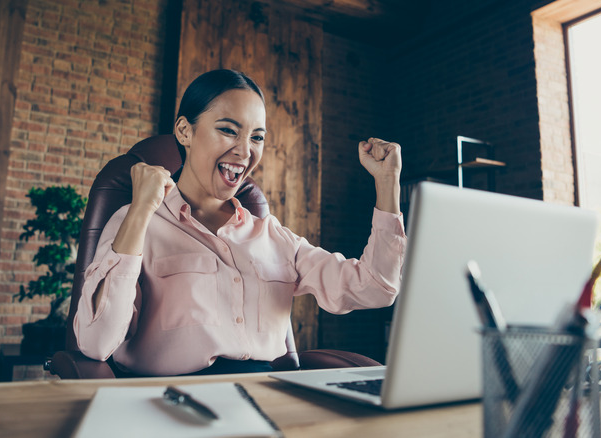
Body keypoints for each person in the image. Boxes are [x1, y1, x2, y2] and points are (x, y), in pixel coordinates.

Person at [74, 69, 407, 376]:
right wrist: (141, 211)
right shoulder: (134, 223)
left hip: (269, 399)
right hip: (173, 403)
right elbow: (96, 343)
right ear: (185, 131)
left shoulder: (273, 236)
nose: (245, 151)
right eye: (228, 131)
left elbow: (376, 288)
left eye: (257, 138)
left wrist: (387, 182)